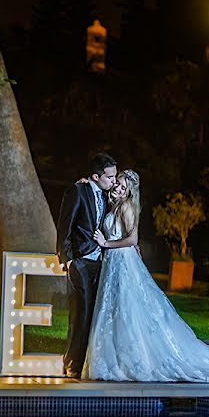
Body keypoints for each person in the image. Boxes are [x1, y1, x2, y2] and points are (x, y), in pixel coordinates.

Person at [82, 169, 209, 382]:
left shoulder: (126, 207)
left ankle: (133, 358)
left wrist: (106, 243)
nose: (118, 188)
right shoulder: (114, 205)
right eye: (117, 184)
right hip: (114, 263)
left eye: (123, 187)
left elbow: (133, 239)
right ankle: (117, 356)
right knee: (117, 309)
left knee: (127, 308)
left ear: (129, 193)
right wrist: (87, 182)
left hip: (122, 261)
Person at [57, 153, 118, 378]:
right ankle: (72, 363)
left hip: (100, 263)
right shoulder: (78, 191)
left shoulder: (107, 196)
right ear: (95, 176)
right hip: (81, 261)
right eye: (110, 177)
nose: (113, 181)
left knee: (95, 314)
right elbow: (65, 225)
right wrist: (68, 259)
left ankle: (86, 364)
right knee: (80, 314)